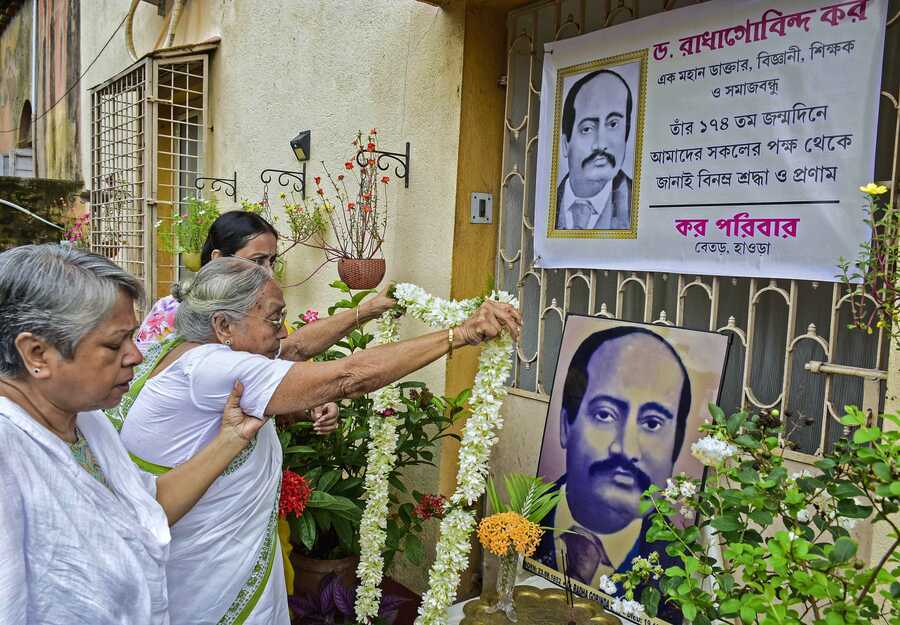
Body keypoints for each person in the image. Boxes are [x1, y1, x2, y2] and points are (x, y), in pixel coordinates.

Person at [117, 257, 522, 625]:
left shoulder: (179, 350)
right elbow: (347, 376)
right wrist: (462, 333)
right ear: (224, 325)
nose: (282, 332)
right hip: (209, 572)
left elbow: (291, 349)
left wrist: (364, 311)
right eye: (274, 319)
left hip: (191, 559)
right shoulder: (213, 366)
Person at [0, 244, 269, 625]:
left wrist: (231, 438)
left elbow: (145, 505)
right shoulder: (7, 452)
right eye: (114, 344)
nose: (136, 356)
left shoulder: (86, 421)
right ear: (37, 354)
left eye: (133, 337)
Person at [536, 327, 689, 595]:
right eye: (605, 415)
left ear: (674, 451)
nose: (626, 448)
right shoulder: (527, 517)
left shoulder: (674, 570)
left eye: (652, 423)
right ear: (565, 426)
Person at [135, 210, 397, 363]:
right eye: (257, 260)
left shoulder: (249, 307)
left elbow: (289, 349)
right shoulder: (175, 312)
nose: (268, 271)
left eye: (272, 260)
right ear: (219, 259)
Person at [555, 69, 633, 231]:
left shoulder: (639, 205)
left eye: (613, 124)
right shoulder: (542, 206)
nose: (601, 144)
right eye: (588, 129)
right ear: (565, 144)